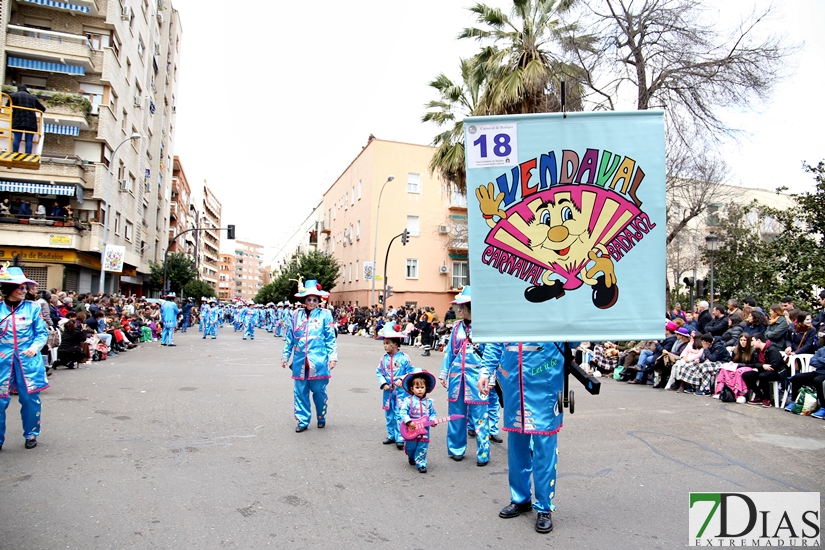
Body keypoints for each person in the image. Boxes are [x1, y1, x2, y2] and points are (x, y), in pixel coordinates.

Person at [478, 339, 575, 534]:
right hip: (513, 386)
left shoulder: (555, 310)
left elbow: (573, 339)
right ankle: (520, 499)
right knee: (516, 448)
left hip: (546, 387)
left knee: (545, 450)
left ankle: (544, 507)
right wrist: (484, 371)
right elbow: (496, 341)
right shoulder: (509, 312)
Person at [438, 286, 490, 466]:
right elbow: (449, 352)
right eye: (458, 306)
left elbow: (490, 355)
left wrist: (489, 376)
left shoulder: (484, 328)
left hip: (477, 379)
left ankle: (483, 452)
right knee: (456, 415)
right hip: (456, 378)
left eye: (461, 306)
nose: (458, 310)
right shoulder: (456, 328)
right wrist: (444, 373)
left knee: (480, 416)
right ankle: (456, 449)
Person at [0, 263, 49, 450]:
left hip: (27, 360)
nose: (24, 290)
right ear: (9, 289)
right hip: (2, 360)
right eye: (20, 287)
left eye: (25, 287)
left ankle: (31, 434)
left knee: (30, 399)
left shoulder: (33, 308)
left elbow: (42, 333)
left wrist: (35, 348)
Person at [281, 278, 338, 432]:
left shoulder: (325, 315)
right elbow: (290, 337)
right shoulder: (295, 315)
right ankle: (303, 420)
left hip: (318, 361)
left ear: (319, 300)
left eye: (314, 299)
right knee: (300, 392)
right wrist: (285, 356)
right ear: (304, 300)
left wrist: (332, 357)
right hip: (300, 361)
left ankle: (321, 416)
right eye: (309, 299)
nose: (311, 302)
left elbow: (330, 338)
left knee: (319, 391)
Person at [375, 323, 416, 449]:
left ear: (396, 343)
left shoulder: (404, 358)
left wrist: (402, 379)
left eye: (388, 343)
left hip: (401, 392)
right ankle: (391, 434)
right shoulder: (383, 359)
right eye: (384, 343)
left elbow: (411, 372)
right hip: (388, 392)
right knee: (389, 413)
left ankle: (400, 437)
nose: (385, 346)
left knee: (400, 413)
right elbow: (379, 372)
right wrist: (383, 383)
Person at [400, 371, 437, 474]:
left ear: (426, 388)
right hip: (411, 428)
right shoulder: (408, 401)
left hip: (424, 429)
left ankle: (421, 462)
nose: (420, 390)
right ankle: (411, 456)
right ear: (412, 389)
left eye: (422, 387)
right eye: (417, 388)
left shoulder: (429, 402)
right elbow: (403, 411)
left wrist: (433, 420)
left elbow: (433, 413)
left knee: (422, 445)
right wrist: (408, 421)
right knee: (411, 446)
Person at [742, 332, 786, 407]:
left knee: (763, 376)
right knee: (746, 375)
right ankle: (760, 396)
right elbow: (754, 364)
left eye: (753, 341)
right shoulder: (756, 351)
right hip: (763, 370)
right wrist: (762, 366)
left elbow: (774, 365)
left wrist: (761, 367)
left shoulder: (772, 349)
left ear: (758, 340)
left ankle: (767, 398)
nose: (751, 343)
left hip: (777, 372)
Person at [786, 347, 825, 418]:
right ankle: (794, 402)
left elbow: (817, 361)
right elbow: (812, 361)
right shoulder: (822, 350)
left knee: (818, 381)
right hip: (818, 372)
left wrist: (820, 359)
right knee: (796, 378)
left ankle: (823, 407)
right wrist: (823, 361)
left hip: (823, 375)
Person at [9, 84, 46, 154]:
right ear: (26, 89)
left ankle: (15, 152)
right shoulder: (33, 97)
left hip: (18, 119)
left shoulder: (13, 96)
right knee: (29, 139)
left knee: (17, 138)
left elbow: (7, 107)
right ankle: (28, 154)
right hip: (31, 121)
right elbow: (43, 109)